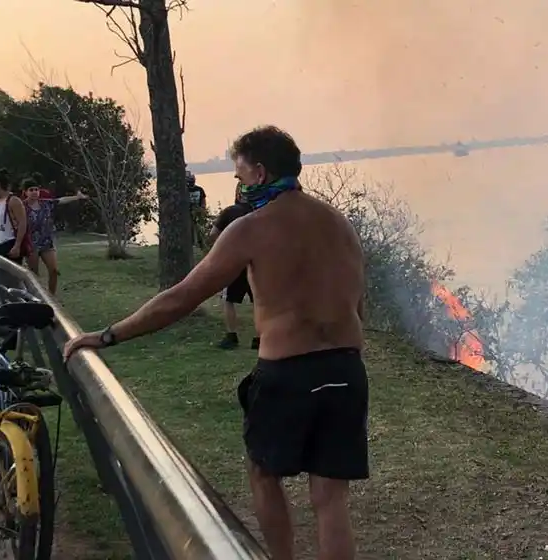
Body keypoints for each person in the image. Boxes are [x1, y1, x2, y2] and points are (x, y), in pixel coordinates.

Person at [64, 125, 368, 560]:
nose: (238, 185)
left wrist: (109, 334)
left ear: (260, 172)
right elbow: (359, 301)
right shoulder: (339, 224)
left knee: (264, 475)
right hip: (345, 371)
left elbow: (181, 298)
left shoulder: (250, 228)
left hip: (288, 374)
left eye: (240, 175)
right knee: (330, 499)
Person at [209, 182, 259, 349]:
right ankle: (259, 338)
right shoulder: (260, 212)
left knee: (229, 300)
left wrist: (224, 250)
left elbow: (213, 234)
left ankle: (232, 336)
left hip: (235, 263)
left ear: (238, 194)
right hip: (256, 263)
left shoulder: (230, 212)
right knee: (258, 300)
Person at [23, 177, 88, 295]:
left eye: (36, 189)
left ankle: (52, 297)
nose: (34, 192)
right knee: (33, 274)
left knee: (53, 271)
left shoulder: (46, 203)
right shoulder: (22, 206)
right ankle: (36, 298)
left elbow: (61, 200)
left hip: (47, 242)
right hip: (31, 244)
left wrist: (77, 197)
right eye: (31, 190)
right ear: (25, 192)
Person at [187, 171, 208, 250]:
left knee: (199, 227)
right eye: (190, 180)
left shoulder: (199, 189)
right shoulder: (186, 190)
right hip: (188, 211)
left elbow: (203, 199)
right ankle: (191, 244)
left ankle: (201, 243)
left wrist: (203, 208)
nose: (192, 181)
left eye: (192, 179)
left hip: (198, 210)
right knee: (190, 227)